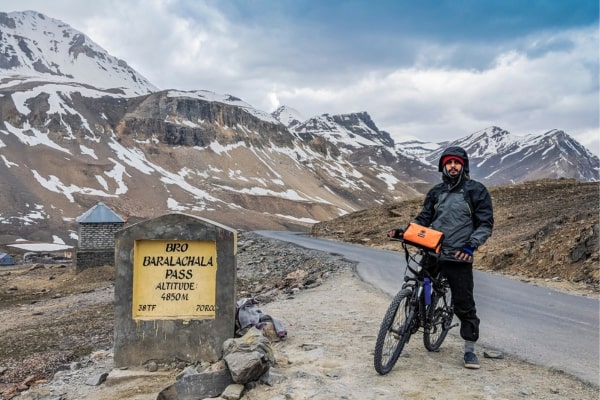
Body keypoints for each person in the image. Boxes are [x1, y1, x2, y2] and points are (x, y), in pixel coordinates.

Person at [388, 146, 494, 369]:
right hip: (433, 251)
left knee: (464, 304)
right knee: (418, 287)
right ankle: (411, 322)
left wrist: (471, 246)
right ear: (443, 167)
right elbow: (424, 218)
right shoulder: (436, 192)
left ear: (463, 166)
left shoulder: (476, 191)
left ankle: (469, 349)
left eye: (457, 163)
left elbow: (485, 224)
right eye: (449, 163)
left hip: (459, 255)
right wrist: (405, 232)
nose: (453, 166)